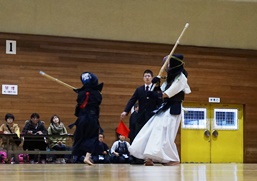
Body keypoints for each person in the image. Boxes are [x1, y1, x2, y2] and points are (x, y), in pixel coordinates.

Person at [129, 54, 191, 166]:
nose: (166, 66)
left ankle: (172, 158)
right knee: (152, 129)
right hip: (164, 108)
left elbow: (166, 94)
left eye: (168, 63)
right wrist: (156, 83)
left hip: (173, 109)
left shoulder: (181, 78)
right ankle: (149, 156)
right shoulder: (170, 78)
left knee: (166, 134)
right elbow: (160, 91)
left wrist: (155, 94)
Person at [69, 72, 103, 165]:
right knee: (92, 137)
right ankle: (87, 157)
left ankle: (75, 157)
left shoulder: (81, 94)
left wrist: (80, 92)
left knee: (79, 137)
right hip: (91, 118)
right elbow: (97, 103)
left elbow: (79, 106)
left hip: (81, 118)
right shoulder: (97, 94)